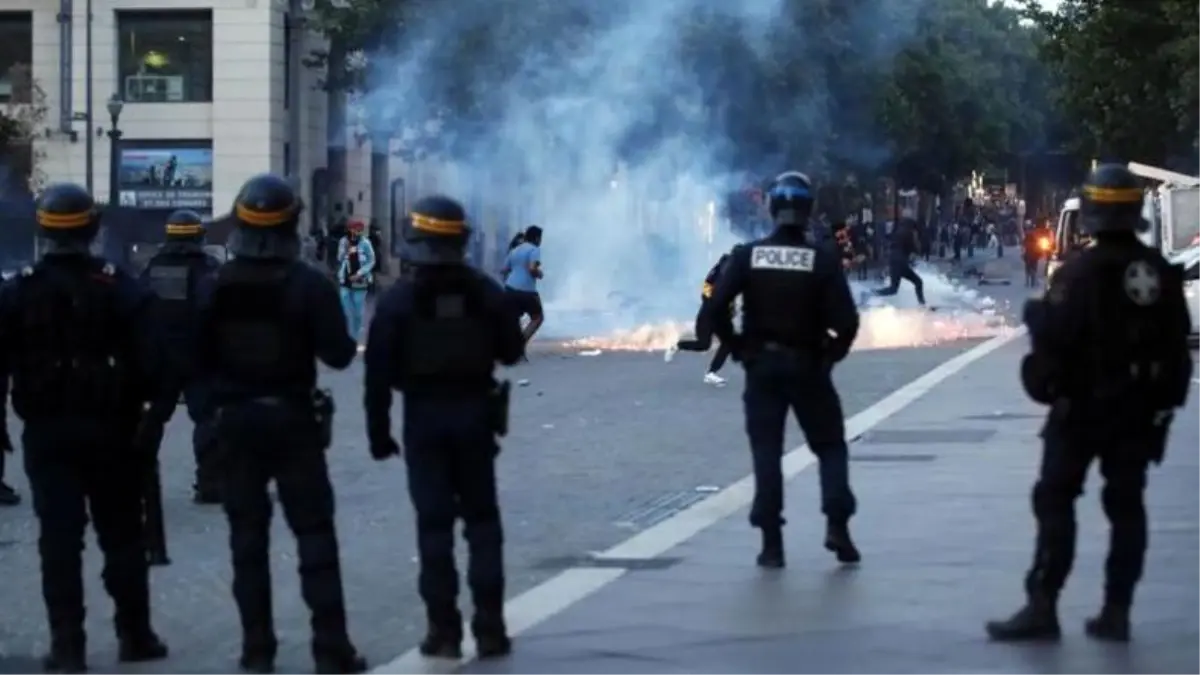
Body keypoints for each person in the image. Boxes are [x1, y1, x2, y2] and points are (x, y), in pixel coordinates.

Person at [986, 163, 1193, 643]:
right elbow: (1175, 346)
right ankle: (1117, 610)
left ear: (1094, 213)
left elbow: (1054, 343)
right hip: (1138, 411)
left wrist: (1037, 321)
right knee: (1127, 506)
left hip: (1082, 410)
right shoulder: (1160, 273)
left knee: (1055, 500)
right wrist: (1162, 409)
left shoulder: (1079, 272)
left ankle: (1043, 605)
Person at [195, 174, 366, 673]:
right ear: (293, 223)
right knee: (314, 536)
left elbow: (195, 360)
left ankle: (257, 649)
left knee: (247, 540)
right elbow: (337, 355)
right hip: (293, 423)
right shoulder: (308, 283)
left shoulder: (216, 285)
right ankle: (331, 649)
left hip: (237, 424)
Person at [0, 183, 170, 670]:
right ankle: (134, 635)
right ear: (93, 229)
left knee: (58, 538)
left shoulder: (20, 289)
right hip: (112, 430)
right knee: (122, 536)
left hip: (47, 431)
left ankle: (67, 643)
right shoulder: (119, 285)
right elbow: (157, 359)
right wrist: (152, 416)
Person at [365, 195, 523, 660]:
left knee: (433, 527)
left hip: (424, 420)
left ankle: (444, 632)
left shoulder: (397, 301)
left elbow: (377, 373)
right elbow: (512, 352)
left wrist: (378, 434)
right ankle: (491, 628)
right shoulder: (487, 293)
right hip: (475, 416)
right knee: (482, 523)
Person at [705, 170, 861, 569]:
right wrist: (829, 357)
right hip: (809, 365)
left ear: (773, 208)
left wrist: (738, 348)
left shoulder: (747, 256)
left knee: (766, 452)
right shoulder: (822, 261)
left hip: (762, 367)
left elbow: (713, 309)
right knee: (830, 446)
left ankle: (771, 543)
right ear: (808, 211)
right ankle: (837, 526)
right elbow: (847, 323)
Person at [139, 209, 223, 506]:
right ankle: (210, 484)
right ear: (199, 236)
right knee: (208, 420)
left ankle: (138, 483)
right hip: (199, 357)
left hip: (159, 358)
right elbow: (214, 312)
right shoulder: (208, 269)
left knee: (150, 421)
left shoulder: (153, 267)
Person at [663, 253, 734, 386]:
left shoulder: (735, 275)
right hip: (708, 313)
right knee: (703, 344)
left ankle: (711, 373)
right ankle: (678, 345)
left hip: (720, 315)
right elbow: (706, 289)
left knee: (728, 343)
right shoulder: (719, 270)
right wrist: (712, 302)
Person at [874, 207, 926, 306]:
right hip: (900, 262)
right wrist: (918, 249)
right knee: (916, 282)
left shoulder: (898, 230)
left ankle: (873, 294)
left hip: (895, 261)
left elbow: (890, 240)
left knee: (895, 288)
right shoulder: (908, 232)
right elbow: (914, 248)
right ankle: (922, 304)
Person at [503, 225, 544, 348]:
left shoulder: (515, 250)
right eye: (540, 238)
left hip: (510, 288)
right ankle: (519, 346)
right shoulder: (534, 250)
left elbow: (504, 269)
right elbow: (532, 268)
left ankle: (511, 346)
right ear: (536, 238)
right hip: (526, 291)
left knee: (515, 318)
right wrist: (539, 274)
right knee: (537, 318)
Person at [337, 219, 376, 344]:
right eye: (353, 229)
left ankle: (355, 333)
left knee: (358, 308)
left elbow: (371, 260)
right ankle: (348, 333)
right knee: (346, 306)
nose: (356, 232)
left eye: (358, 230)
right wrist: (345, 250)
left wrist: (360, 273)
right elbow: (339, 258)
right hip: (345, 278)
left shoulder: (366, 243)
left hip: (360, 279)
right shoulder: (343, 241)